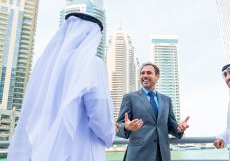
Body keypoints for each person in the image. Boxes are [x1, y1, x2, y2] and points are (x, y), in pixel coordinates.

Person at [7, 13, 115, 161]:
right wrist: (111, 133)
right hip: (80, 151)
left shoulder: (46, 68)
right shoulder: (92, 63)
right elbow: (100, 116)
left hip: (44, 151)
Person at [116, 62, 190, 161]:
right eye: (142, 73)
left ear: (157, 76)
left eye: (149, 73)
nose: (145, 76)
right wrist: (125, 127)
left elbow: (171, 125)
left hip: (162, 155)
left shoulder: (166, 100)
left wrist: (179, 129)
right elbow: (119, 124)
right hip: (138, 155)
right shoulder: (130, 97)